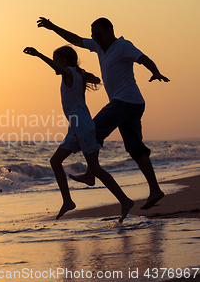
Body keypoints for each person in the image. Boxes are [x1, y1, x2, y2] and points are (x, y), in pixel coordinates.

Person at [37, 17, 169, 209]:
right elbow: (75, 39)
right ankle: (155, 190)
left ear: (109, 31)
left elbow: (143, 58)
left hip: (124, 102)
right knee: (135, 148)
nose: (94, 38)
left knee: (92, 129)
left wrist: (155, 71)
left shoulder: (122, 45)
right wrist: (51, 27)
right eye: (92, 35)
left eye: (97, 35)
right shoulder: (99, 46)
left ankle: (92, 174)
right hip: (132, 104)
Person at [23, 45, 134, 222]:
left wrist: (38, 55)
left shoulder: (68, 72)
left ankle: (125, 200)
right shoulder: (77, 73)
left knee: (95, 167)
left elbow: (60, 69)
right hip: (76, 127)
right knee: (55, 161)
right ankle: (67, 201)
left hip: (83, 127)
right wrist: (88, 76)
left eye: (56, 59)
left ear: (65, 61)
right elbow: (95, 79)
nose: (55, 64)